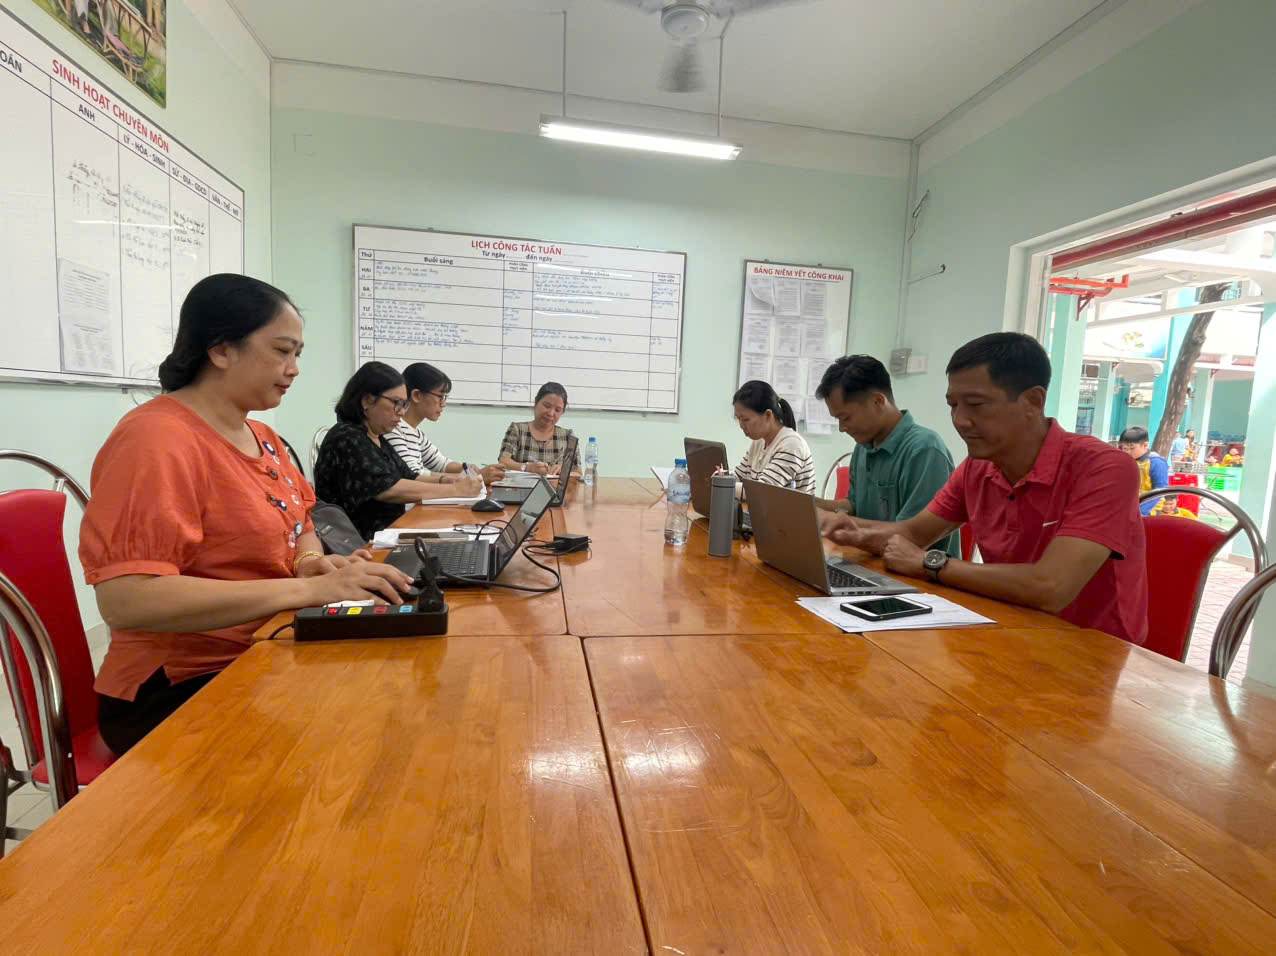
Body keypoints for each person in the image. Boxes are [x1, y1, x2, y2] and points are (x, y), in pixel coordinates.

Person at [80, 275, 415, 756]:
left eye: (298, 354)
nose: (294, 369)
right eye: (282, 351)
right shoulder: (156, 440)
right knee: (371, 737)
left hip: (264, 644)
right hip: (182, 686)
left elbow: (303, 521)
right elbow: (127, 599)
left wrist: (310, 564)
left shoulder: (262, 436)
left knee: (405, 684)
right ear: (221, 349)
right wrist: (309, 591)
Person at [820, 331, 1148, 645]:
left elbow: (1051, 587)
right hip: (1007, 628)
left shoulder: (1105, 468)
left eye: (976, 405)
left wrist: (932, 564)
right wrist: (852, 532)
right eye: (953, 405)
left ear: (1033, 401)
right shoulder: (977, 468)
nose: (960, 420)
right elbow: (912, 534)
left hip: (1090, 650)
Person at [812, 355, 959, 556]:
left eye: (845, 417)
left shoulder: (924, 449)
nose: (842, 428)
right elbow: (853, 506)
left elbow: (910, 538)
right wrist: (812, 506)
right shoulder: (863, 446)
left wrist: (842, 523)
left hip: (914, 570)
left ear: (878, 401)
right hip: (870, 559)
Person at [315, 362, 482, 539]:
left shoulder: (377, 437)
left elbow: (410, 476)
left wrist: (452, 480)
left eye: (404, 405)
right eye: (396, 403)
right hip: (361, 544)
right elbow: (389, 489)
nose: (402, 412)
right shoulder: (347, 437)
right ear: (367, 401)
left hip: (388, 534)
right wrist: (456, 489)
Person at [385, 362, 504, 485]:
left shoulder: (417, 433)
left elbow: (442, 464)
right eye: (440, 396)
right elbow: (413, 475)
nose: (443, 404)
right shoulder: (393, 430)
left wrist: (469, 469)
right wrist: (474, 476)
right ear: (417, 395)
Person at [729, 380, 816, 493]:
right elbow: (739, 476)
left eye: (745, 419)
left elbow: (762, 491)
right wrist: (722, 476)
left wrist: (723, 485)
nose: (741, 425)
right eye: (738, 419)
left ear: (768, 415)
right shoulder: (759, 442)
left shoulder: (792, 445)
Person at [498, 382, 581, 476]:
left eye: (557, 410)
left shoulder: (568, 436)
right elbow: (503, 461)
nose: (551, 413)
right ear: (536, 402)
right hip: (522, 485)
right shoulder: (518, 430)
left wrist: (563, 471)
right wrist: (527, 467)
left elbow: (578, 473)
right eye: (547, 406)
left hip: (553, 486)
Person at [1118, 426, 1170, 517]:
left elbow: (1160, 490)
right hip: (1128, 507)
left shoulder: (1156, 462)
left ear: (1145, 445)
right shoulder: (1125, 460)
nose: (1128, 452)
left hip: (1148, 510)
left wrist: (1141, 511)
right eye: (1125, 448)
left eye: (1132, 448)